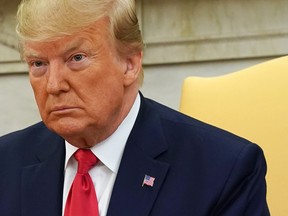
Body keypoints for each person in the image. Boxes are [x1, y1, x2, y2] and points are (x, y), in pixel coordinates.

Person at [0, 0, 269, 215]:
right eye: (38, 64)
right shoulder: (6, 165)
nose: (54, 85)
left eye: (76, 58)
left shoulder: (222, 170)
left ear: (130, 63)